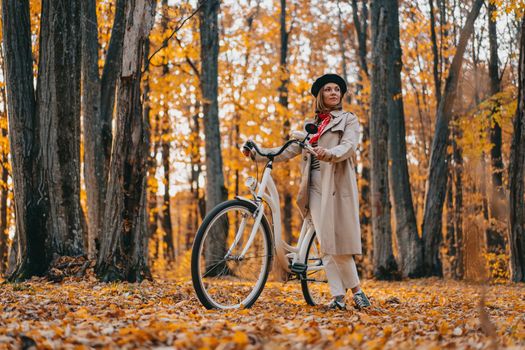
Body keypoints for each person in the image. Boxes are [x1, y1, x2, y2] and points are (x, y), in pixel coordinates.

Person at [243, 73, 371, 310]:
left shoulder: (348, 120)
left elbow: (350, 146)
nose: (334, 93)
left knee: (333, 243)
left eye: (337, 89)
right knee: (326, 242)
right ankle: (339, 298)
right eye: (328, 89)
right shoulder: (310, 128)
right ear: (320, 95)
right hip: (312, 188)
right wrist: (257, 153)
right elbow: (284, 151)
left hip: (334, 185)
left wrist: (329, 153)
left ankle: (356, 291)